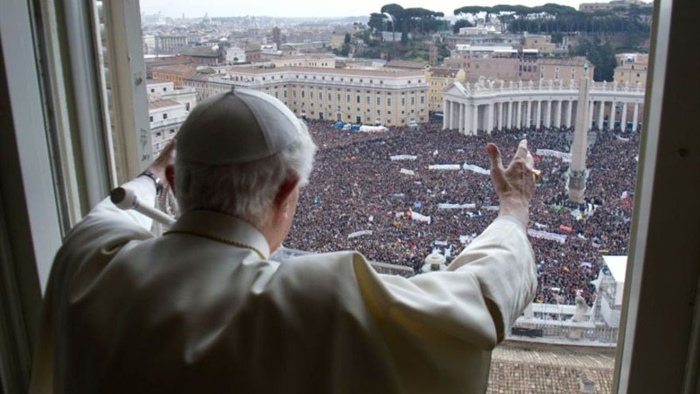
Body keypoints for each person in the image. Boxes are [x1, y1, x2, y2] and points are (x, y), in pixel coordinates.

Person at [30, 88, 537, 394]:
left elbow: (108, 213)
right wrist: (513, 209)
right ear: (287, 192)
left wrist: (150, 176)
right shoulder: (319, 299)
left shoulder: (87, 260)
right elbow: (480, 302)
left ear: (178, 183)